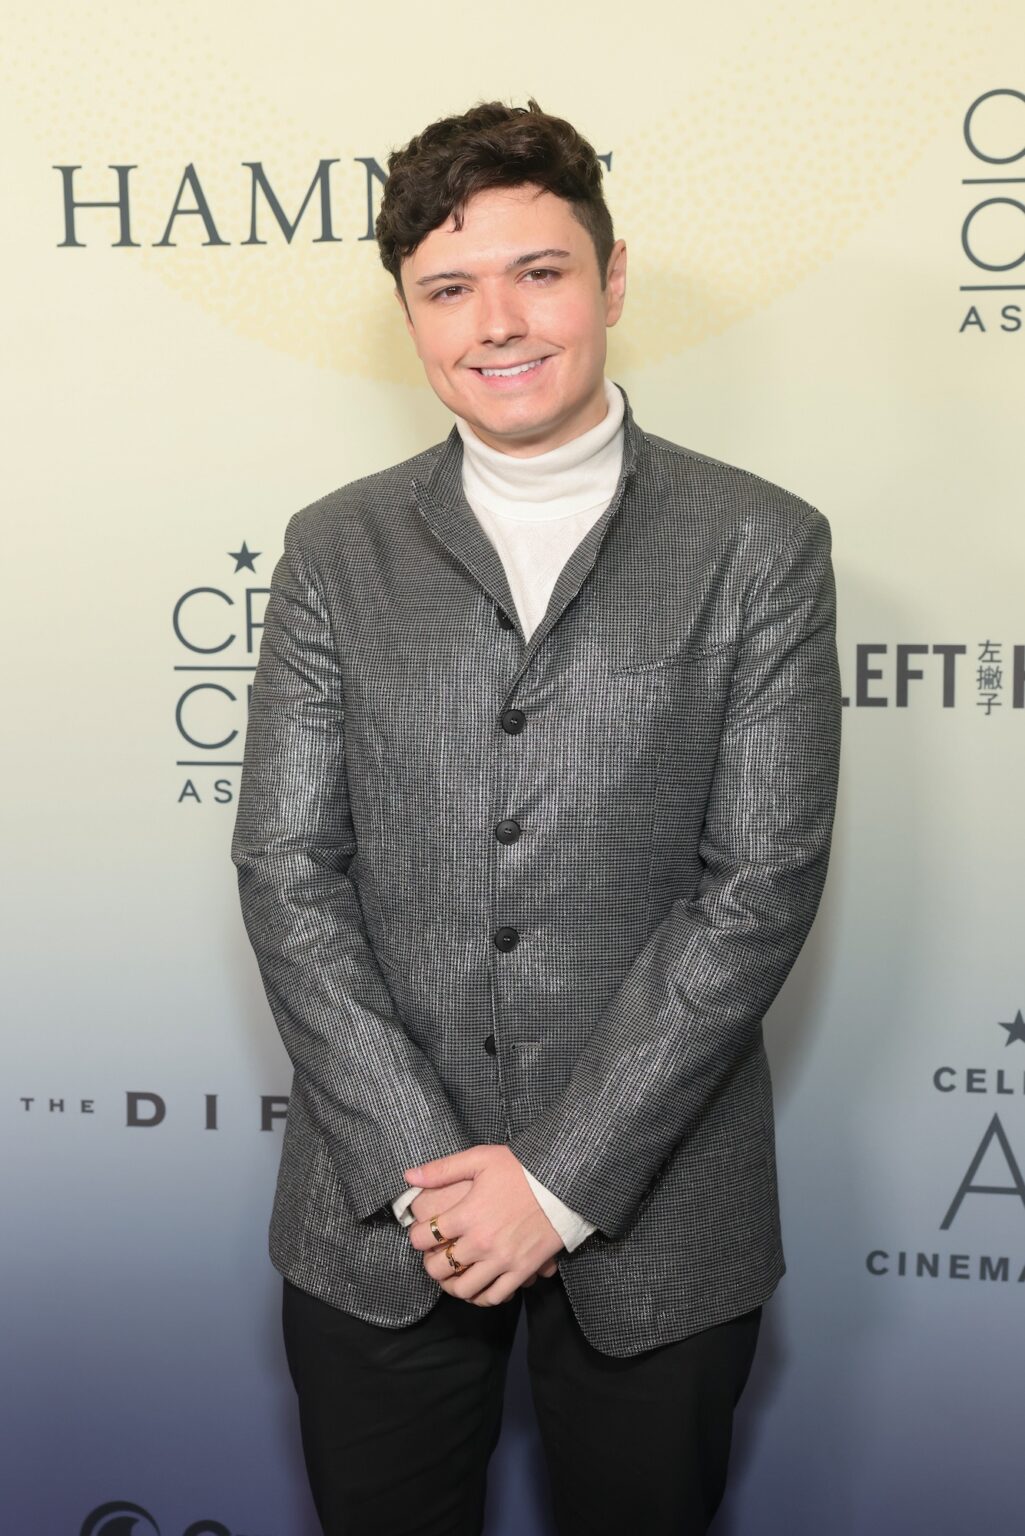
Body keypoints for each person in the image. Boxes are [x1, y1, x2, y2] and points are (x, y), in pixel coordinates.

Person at [231, 97, 842, 1536]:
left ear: (610, 279)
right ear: (410, 316)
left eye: (539, 272)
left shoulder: (759, 543)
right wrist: (429, 1177)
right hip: (377, 1211)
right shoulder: (335, 548)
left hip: (663, 1212)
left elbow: (759, 880)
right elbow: (287, 866)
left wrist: (560, 1182)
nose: (497, 322)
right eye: (448, 288)